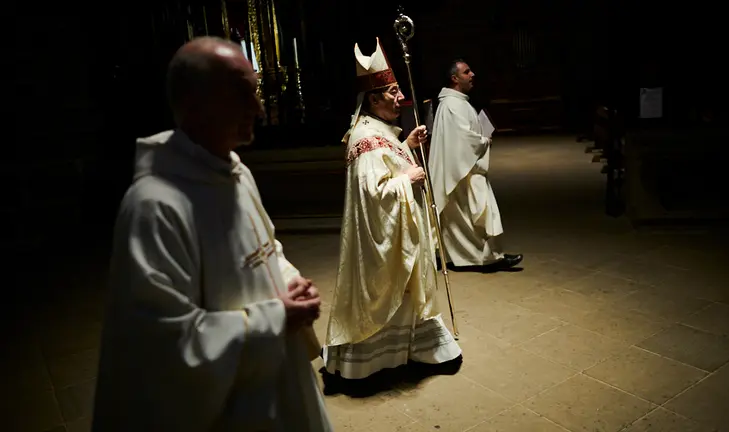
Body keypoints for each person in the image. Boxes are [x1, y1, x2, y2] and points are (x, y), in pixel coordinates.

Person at [92, 36, 332, 432]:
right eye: (243, 95)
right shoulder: (155, 207)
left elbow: (264, 248)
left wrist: (290, 280)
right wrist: (275, 317)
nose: (258, 108)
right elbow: (164, 349)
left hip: (278, 380)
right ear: (195, 103)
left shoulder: (236, 173)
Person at [322, 38, 462, 393]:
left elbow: (387, 161)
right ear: (373, 99)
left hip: (403, 236)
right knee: (394, 293)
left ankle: (420, 350)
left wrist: (406, 147)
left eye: (399, 89)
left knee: (411, 293)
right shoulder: (365, 139)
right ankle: (374, 362)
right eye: (393, 91)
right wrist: (407, 179)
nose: (401, 97)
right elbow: (372, 195)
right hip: (382, 244)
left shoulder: (380, 132)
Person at [429, 59, 523, 273]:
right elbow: (461, 139)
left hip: (465, 167)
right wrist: (483, 141)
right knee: (472, 216)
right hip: (461, 172)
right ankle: (485, 258)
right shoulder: (451, 105)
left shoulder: (458, 101)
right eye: (466, 72)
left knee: (472, 217)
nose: (472, 75)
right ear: (455, 78)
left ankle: (486, 257)